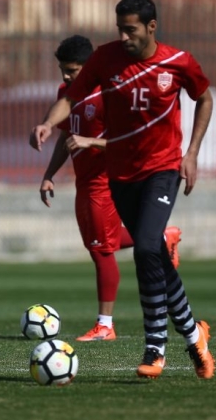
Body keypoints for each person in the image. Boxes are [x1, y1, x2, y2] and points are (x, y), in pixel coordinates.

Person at [30, 0, 215, 380]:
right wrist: (48, 123)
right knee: (156, 256)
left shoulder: (177, 63)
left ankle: (155, 347)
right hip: (120, 175)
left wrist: (192, 152)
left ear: (151, 27)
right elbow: (71, 98)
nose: (124, 36)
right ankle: (194, 331)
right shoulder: (105, 59)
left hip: (162, 170)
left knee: (146, 246)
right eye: (120, 29)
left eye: (130, 29)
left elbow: (205, 98)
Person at [39, 35, 182, 342]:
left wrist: (91, 142)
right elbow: (66, 139)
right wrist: (49, 173)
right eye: (63, 70)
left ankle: (105, 325)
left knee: (102, 251)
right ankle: (162, 238)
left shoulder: (110, 95)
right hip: (83, 183)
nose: (65, 76)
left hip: (104, 183)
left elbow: (130, 142)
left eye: (72, 70)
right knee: (98, 244)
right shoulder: (67, 93)